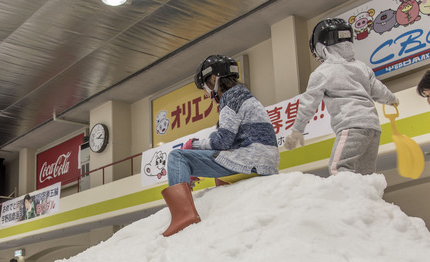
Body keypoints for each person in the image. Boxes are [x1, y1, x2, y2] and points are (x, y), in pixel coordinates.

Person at [163, 54, 279, 237]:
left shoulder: (231, 97)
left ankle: (182, 217)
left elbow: (223, 141)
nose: (206, 93)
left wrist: (192, 145)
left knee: (177, 157)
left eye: (204, 87)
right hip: (265, 161)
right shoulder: (245, 95)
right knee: (218, 154)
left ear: (213, 79)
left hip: (249, 158)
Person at [284, 18, 398, 176]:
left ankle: (348, 201)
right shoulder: (361, 67)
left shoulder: (322, 72)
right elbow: (379, 91)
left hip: (351, 126)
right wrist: (393, 100)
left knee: (339, 169)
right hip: (373, 128)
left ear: (320, 47)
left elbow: (308, 104)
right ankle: (367, 200)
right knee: (366, 175)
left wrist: (297, 130)